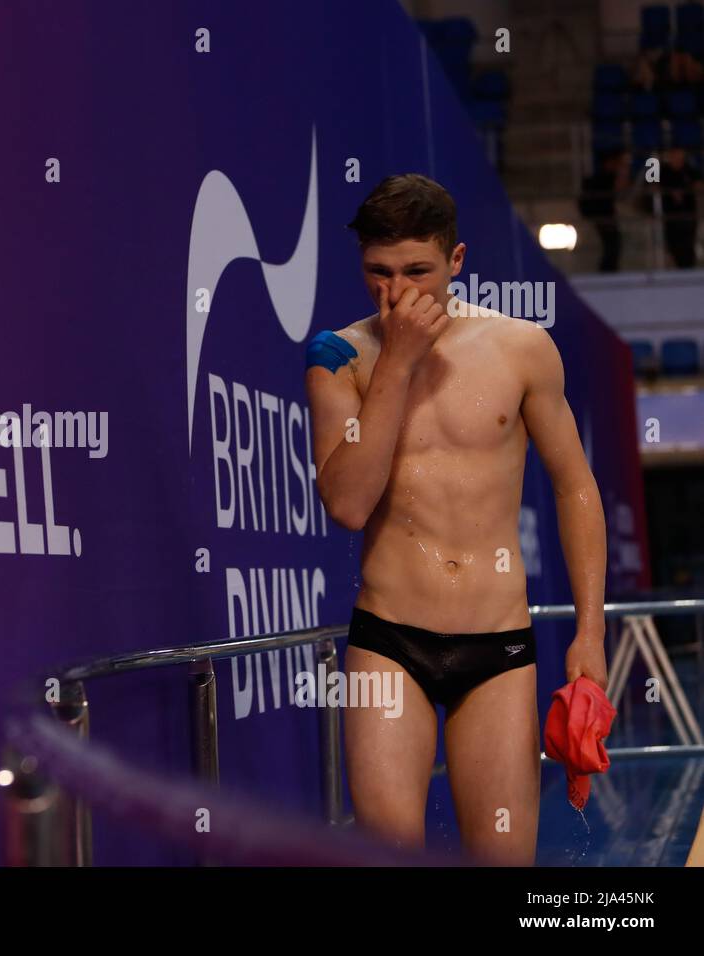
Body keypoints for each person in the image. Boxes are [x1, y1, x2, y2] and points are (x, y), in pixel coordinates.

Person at [303, 175, 609, 865]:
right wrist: (399, 365)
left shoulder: (523, 348)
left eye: (418, 271)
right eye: (379, 274)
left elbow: (576, 488)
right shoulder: (337, 358)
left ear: (458, 261)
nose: (398, 292)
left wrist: (590, 632)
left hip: (497, 647)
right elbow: (348, 504)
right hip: (387, 643)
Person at [579, 149, 629, 272]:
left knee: (613, 245)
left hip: (606, 217)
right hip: (602, 217)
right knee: (612, 245)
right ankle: (607, 272)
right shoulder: (602, 178)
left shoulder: (606, 177)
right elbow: (619, 188)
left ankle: (609, 271)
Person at [660, 146, 699, 268]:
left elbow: (699, 184)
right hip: (670, 215)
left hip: (688, 214)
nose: (677, 159)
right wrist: (670, 191)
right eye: (674, 155)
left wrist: (686, 190)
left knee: (688, 245)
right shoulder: (663, 171)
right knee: (673, 245)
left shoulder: (689, 170)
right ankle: (676, 269)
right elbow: (652, 186)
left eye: (680, 156)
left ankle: (689, 269)